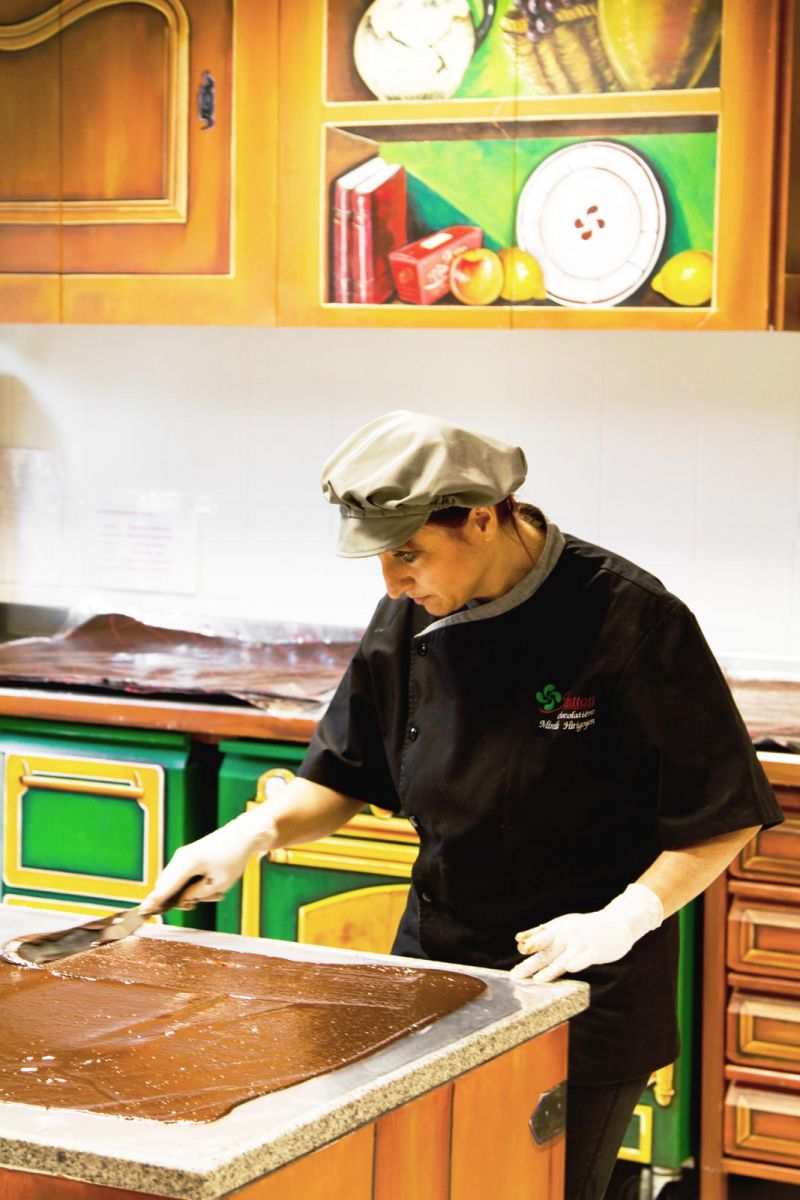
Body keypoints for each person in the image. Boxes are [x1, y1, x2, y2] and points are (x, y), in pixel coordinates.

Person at [146, 411, 783, 1200]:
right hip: (437, 971)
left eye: (407, 552)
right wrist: (253, 831)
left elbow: (722, 815)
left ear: (482, 518)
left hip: (581, 984)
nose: (392, 582)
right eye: (382, 558)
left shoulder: (633, 620)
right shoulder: (413, 611)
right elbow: (344, 773)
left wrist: (625, 918)